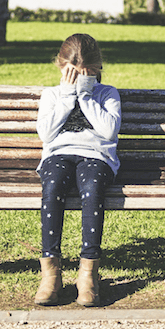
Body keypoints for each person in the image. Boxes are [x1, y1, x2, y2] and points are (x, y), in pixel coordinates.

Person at [34, 33, 121, 307]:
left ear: (97, 71)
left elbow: (108, 131)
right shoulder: (51, 95)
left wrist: (85, 95)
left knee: (92, 188)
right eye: (74, 75)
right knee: (52, 187)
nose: (81, 80)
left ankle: (88, 275)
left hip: (96, 156)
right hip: (59, 154)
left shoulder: (107, 94)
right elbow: (46, 134)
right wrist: (67, 96)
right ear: (61, 68)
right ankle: (51, 275)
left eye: (87, 75)